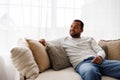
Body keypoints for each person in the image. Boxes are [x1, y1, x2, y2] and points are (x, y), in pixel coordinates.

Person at [39, 19, 120, 80]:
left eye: (76, 27)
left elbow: (100, 50)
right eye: (71, 26)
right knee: (90, 72)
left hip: (100, 61)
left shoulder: (89, 39)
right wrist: (43, 42)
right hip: (83, 64)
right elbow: (49, 43)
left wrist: (100, 57)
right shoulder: (64, 40)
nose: (72, 28)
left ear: (82, 30)